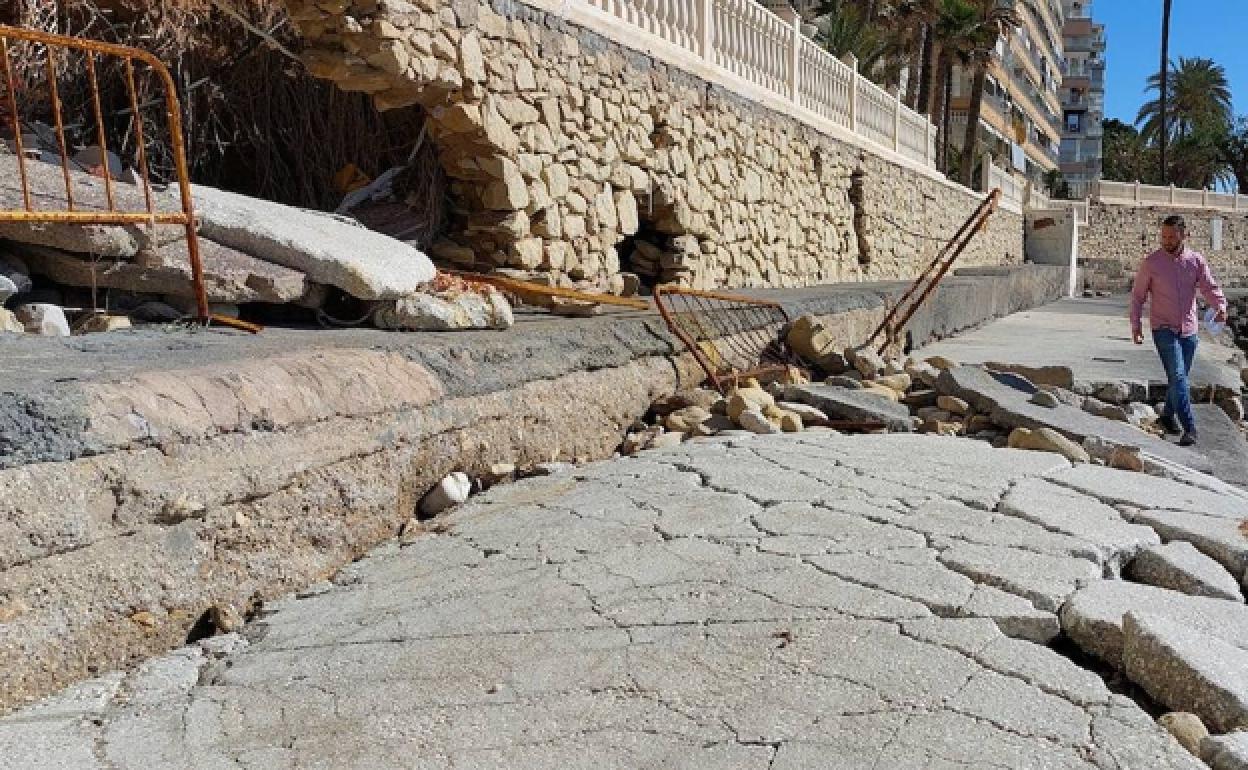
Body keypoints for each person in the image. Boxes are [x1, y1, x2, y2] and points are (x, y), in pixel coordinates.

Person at [1130, 214, 1228, 447]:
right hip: (1163, 329)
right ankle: (1190, 428)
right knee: (1178, 376)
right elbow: (1137, 296)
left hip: (1189, 331)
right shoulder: (1151, 263)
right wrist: (1136, 325)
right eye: (1163, 236)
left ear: (1184, 235)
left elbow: (1209, 286)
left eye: (1171, 237)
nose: (1166, 241)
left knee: (1178, 380)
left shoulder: (1196, 261)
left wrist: (1220, 306)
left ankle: (1166, 416)